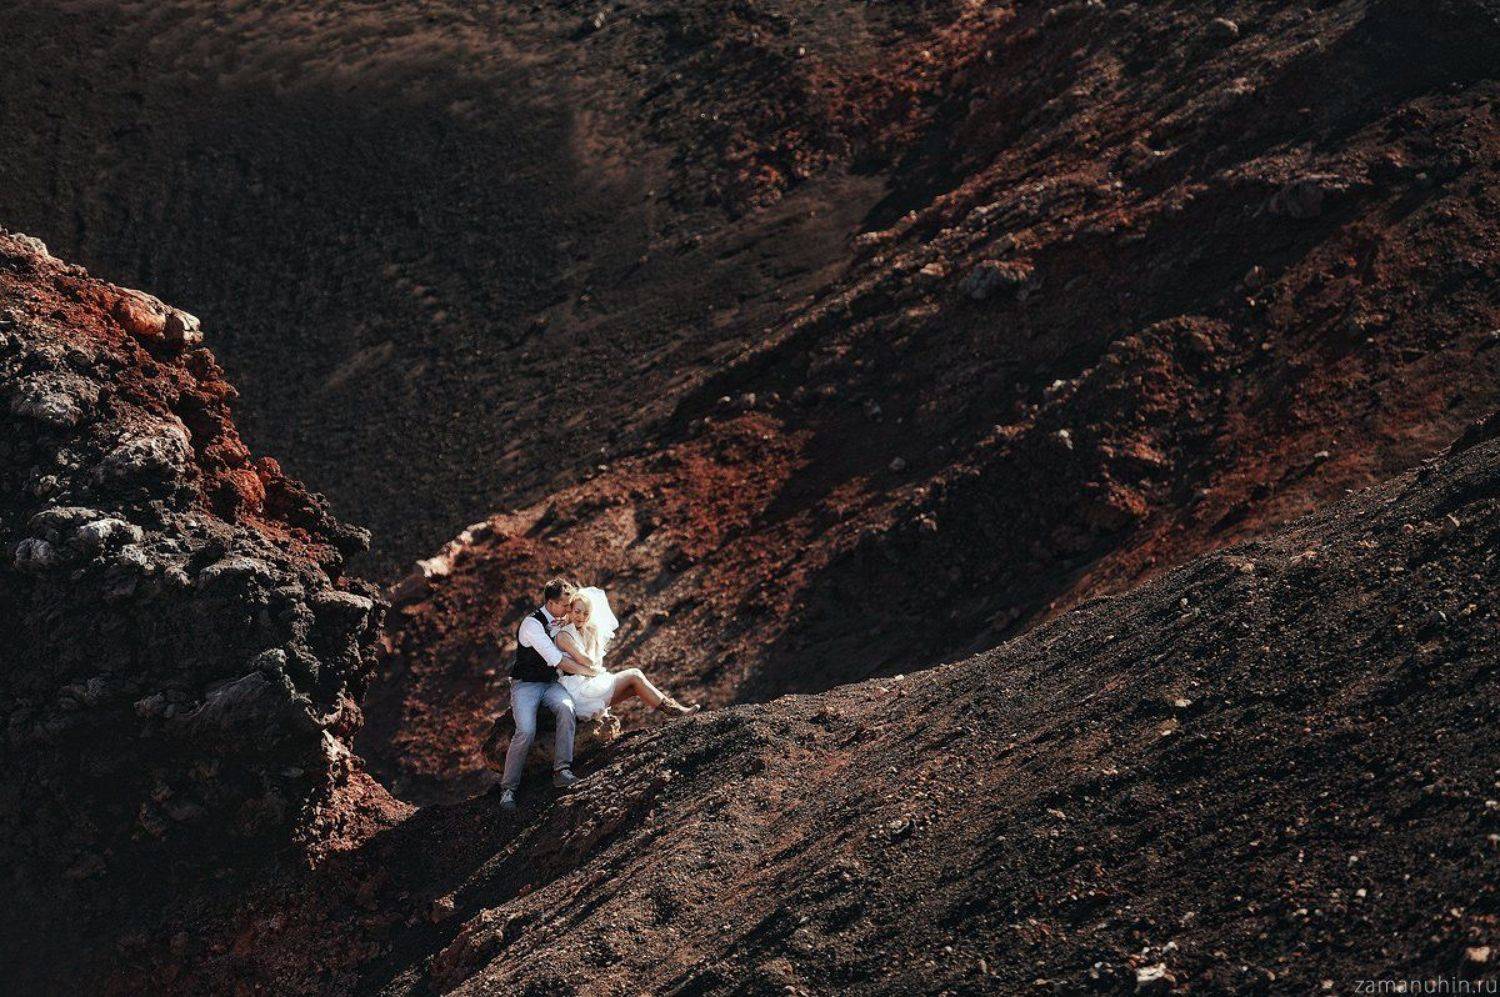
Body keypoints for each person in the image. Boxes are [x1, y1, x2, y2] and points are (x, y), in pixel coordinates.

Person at [497, 578, 588, 812]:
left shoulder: (562, 618)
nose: (568, 610)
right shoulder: (532, 624)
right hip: (526, 685)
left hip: (550, 683)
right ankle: (508, 789)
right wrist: (589, 671)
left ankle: (562, 771)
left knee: (567, 708)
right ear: (550, 603)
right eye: (565, 606)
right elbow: (556, 659)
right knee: (526, 731)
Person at [553, 586, 700, 719]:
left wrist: (591, 636)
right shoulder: (564, 635)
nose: (581, 617)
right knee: (634, 674)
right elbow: (586, 660)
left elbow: (594, 661)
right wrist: (592, 639)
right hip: (578, 690)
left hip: (588, 683)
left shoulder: (582, 631)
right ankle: (676, 712)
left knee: (635, 688)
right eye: (577, 612)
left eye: (586, 614)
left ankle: (675, 712)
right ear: (570, 610)